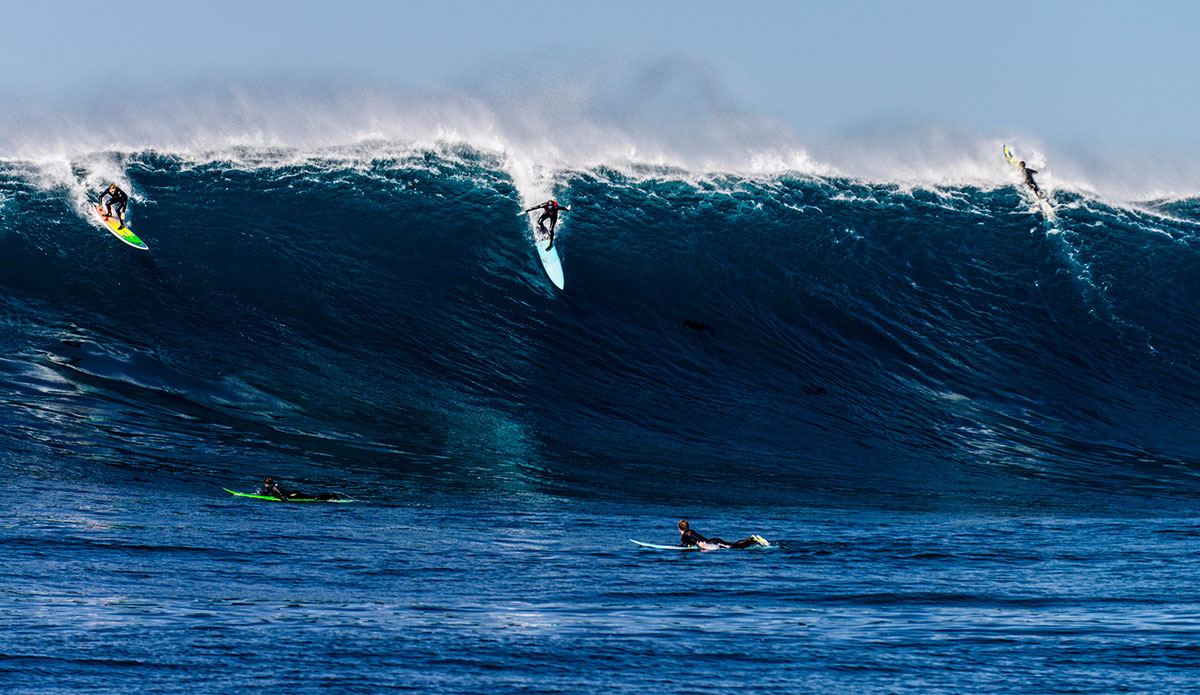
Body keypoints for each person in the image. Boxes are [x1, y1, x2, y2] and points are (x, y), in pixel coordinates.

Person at [677, 519, 767, 550]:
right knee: (732, 545)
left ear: (679, 528)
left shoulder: (687, 534)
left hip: (712, 543)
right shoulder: (690, 531)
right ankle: (752, 540)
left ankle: (751, 539)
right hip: (713, 540)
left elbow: (691, 537)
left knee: (733, 547)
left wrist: (699, 543)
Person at [258, 476, 340, 501]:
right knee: (311, 497)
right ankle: (329, 496)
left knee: (313, 498)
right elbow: (266, 492)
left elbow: (281, 494)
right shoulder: (271, 487)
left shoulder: (274, 488)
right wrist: (258, 494)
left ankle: (331, 496)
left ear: (267, 483)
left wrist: (284, 501)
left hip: (294, 495)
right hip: (293, 493)